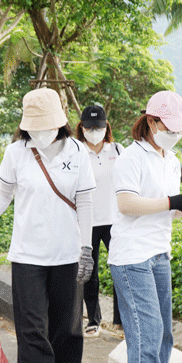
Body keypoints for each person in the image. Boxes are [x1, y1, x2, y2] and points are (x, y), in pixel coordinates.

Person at [0, 87, 95, 363]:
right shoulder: (16, 152)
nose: (39, 132)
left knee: (68, 329)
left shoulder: (78, 152)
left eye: (45, 125)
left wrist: (86, 248)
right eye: (34, 126)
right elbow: (4, 192)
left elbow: (85, 202)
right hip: (27, 255)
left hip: (68, 254)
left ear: (60, 122)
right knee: (32, 331)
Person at [108, 91, 182, 363]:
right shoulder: (130, 158)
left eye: (180, 130)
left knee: (163, 334)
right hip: (131, 256)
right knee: (146, 332)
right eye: (170, 127)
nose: (176, 134)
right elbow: (127, 205)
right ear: (151, 121)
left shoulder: (171, 160)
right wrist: (172, 201)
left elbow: (166, 210)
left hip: (159, 254)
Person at [76, 105, 124, 338]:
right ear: (82, 128)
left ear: (107, 127)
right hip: (87, 221)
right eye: (90, 127)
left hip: (115, 220)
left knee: (120, 269)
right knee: (89, 273)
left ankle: (120, 320)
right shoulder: (75, 151)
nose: (94, 131)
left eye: (99, 127)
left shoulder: (118, 150)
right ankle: (93, 320)